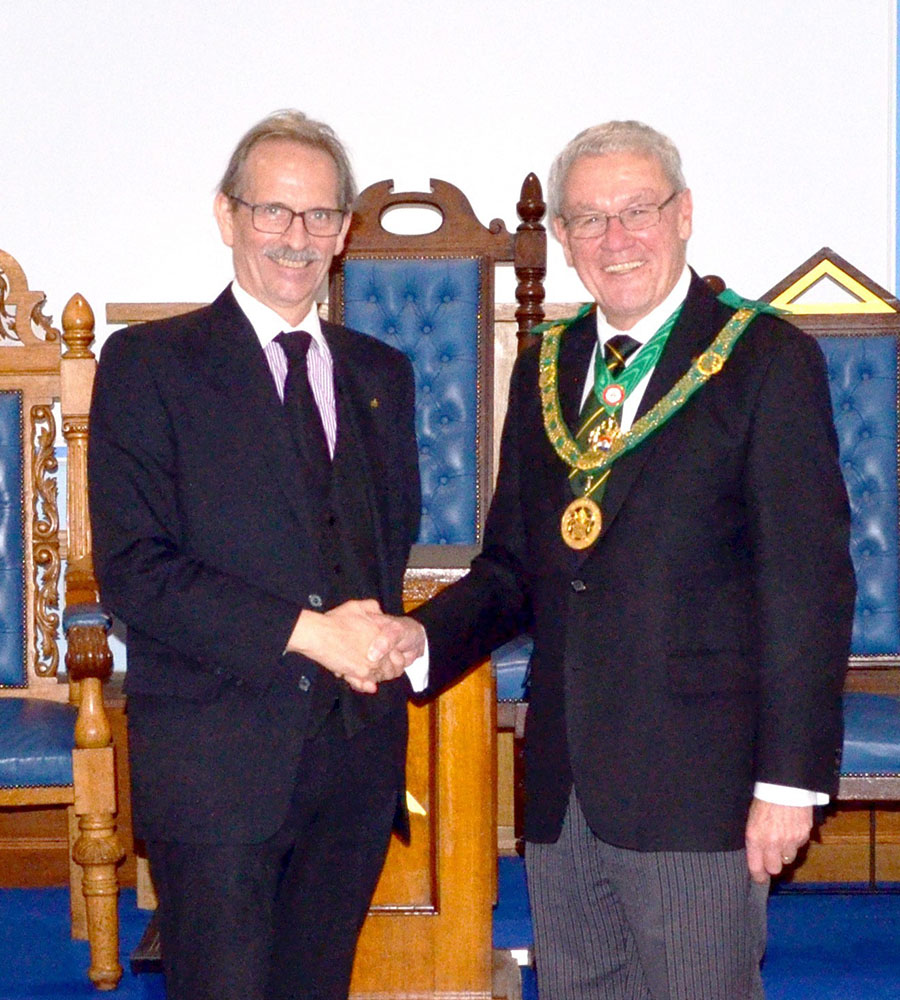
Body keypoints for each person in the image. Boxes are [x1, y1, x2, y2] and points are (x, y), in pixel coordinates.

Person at [380, 121, 856, 998]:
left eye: (637, 210)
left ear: (683, 214)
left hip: (700, 787)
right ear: (563, 237)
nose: (616, 238)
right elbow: (514, 568)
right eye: (590, 219)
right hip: (564, 786)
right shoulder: (545, 366)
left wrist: (790, 782)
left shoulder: (764, 360)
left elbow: (807, 586)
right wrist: (421, 641)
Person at [88, 110, 422, 1000]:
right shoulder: (149, 365)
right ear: (226, 215)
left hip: (354, 763)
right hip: (217, 763)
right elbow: (135, 569)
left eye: (320, 215)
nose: (296, 236)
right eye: (273, 210)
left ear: (345, 231)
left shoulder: (382, 373)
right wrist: (312, 634)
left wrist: (385, 637)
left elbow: (384, 546)